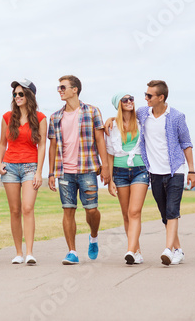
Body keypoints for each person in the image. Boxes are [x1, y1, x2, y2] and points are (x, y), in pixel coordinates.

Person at [106, 80, 195, 266]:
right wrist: (111, 119)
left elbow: (186, 143)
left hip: (169, 170)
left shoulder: (172, 117)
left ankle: (166, 250)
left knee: (164, 211)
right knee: (164, 213)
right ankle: (173, 249)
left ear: (160, 97)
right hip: (150, 172)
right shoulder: (143, 114)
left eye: (148, 96)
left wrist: (192, 170)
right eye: (144, 95)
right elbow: (121, 121)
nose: (141, 99)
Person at [48, 75, 111, 265]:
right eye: (58, 87)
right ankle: (72, 252)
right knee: (68, 210)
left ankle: (93, 236)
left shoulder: (92, 111)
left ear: (74, 89)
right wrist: (51, 173)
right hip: (64, 171)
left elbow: (100, 140)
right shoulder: (55, 117)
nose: (59, 90)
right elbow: (52, 146)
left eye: (63, 87)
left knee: (91, 210)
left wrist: (105, 166)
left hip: (88, 168)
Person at [0, 79, 47, 265]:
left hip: (30, 167)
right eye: (15, 94)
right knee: (15, 210)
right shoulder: (7, 117)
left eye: (21, 94)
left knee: (27, 207)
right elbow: (3, 143)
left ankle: (30, 252)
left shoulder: (40, 118)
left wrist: (39, 172)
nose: (17, 97)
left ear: (29, 96)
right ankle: (18, 252)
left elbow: (41, 146)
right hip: (9, 167)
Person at [105, 92, 149, 265]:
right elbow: (109, 153)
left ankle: (129, 250)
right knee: (126, 214)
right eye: (125, 100)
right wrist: (110, 180)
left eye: (131, 99)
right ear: (119, 105)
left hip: (140, 170)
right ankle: (136, 251)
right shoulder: (112, 126)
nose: (130, 101)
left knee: (134, 211)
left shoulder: (141, 120)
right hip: (120, 172)